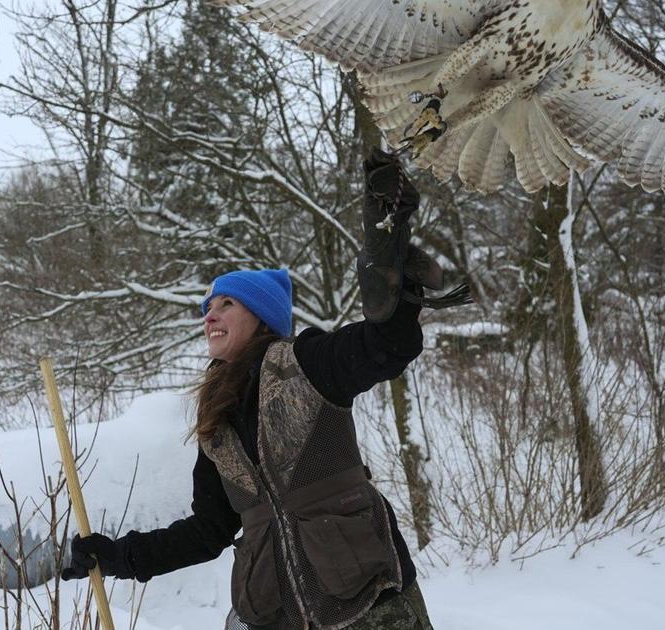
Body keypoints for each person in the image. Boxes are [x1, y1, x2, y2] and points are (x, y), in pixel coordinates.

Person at [61, 151, 442, 629]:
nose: (210, 314)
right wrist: (117, 556)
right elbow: (209, 530)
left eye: (226, 303)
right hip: (274, 613)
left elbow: (386, 345)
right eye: (207, 307)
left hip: (369, 606)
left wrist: (388, 273)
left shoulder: (305, 364)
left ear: (261, 316)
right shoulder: (216, 419)